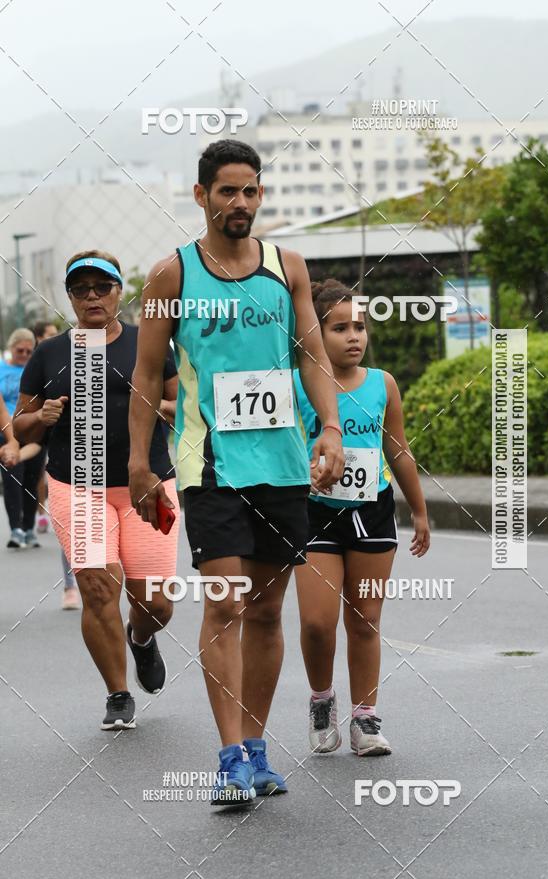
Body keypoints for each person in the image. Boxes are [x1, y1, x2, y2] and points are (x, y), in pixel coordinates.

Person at [128, 139, 345, 805]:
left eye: (250, 190)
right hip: (208, 461)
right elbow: (144, 374)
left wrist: (330, 427)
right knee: (224, 599)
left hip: (280, 462)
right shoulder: (172, 276)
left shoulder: (290, 268)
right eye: (227, 191)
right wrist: (140, 462)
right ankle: (227, 757)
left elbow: (311, 355)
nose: (240, 203)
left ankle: (254, 746)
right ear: (202, 196)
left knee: (267, 608)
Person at [13, 250, 180, 730]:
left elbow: (178, 403)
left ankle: (142, 638)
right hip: (77, 484)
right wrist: (38, 418)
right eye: (81, 289)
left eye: (101, 287)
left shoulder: (147, 344)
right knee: (97, 586)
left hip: (146, 483)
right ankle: (118, 692)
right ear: (69, 296)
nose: (92, 296)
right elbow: (21, 427)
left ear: (117, 293)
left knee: (156, 601)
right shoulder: (49, 354)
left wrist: (164, 410)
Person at [293, 279, 431, 756]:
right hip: (313, 514)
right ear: (314, 332)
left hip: (371, 512)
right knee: (316, 621)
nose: (354, 336)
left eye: (360, 326)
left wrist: (419, 510)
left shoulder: (382, 383)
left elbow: (398, 448)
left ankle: (365, 719)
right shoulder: (295, 382)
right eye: (339, 328)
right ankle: (321, 699)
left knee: (366, 619)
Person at [32, 319, 80, 609]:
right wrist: (41, 417)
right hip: (64, 456)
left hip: (114, 464)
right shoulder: (51, 362)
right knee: (72, 526)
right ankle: (70, 585)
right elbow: (28, 416)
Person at [0, 329, 45, 548]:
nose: (25, 354)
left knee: (31, 480)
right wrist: (11, 439)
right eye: (20, 350)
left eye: (29, 351)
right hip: (6, 431)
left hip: (33, 430)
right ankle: (16, 528)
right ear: (11, 348)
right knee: (12, 478)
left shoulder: (35, 370)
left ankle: (29, 528)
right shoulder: (1, 369)